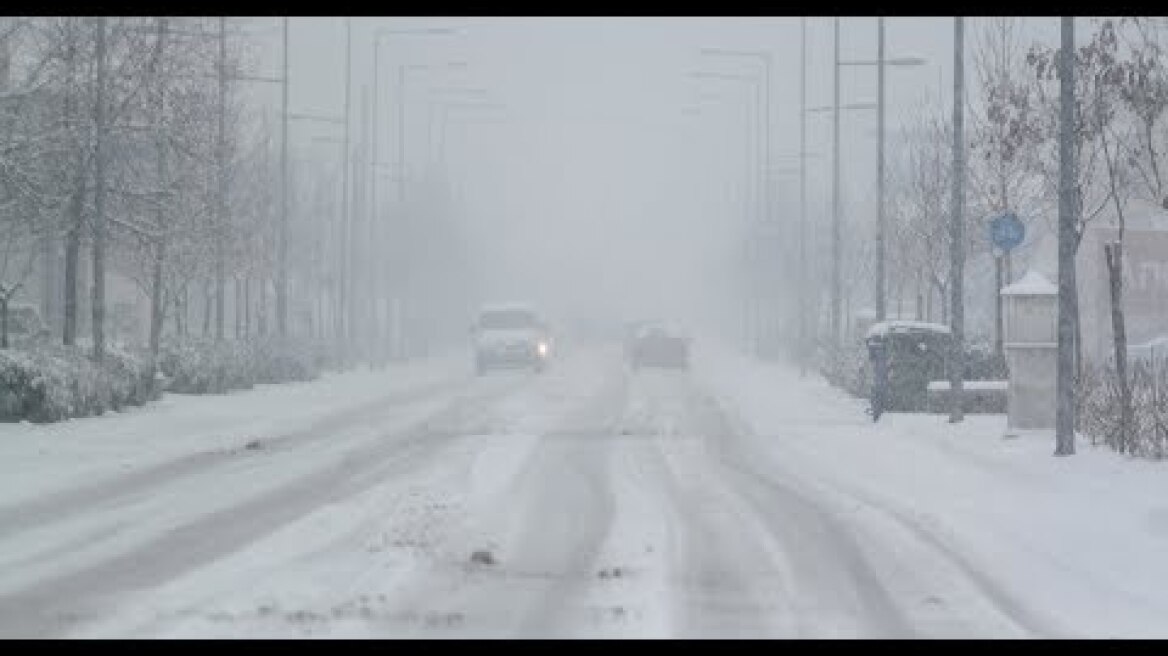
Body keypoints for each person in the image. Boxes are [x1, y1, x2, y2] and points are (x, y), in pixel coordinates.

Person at [867, 336, 889, 422]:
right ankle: (878, 414)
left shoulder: (874, 349)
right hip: (882, 377)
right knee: (880, 395)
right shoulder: (883, 350)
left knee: (878, 395)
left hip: (879, 377)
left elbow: (872, 360)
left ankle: (877, 415)